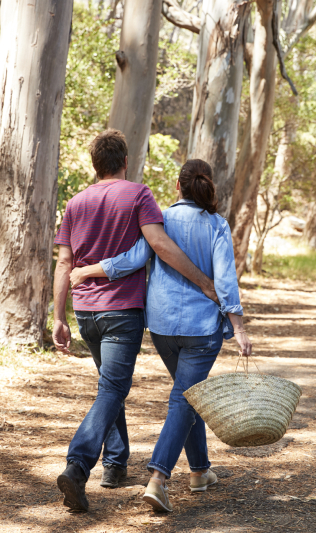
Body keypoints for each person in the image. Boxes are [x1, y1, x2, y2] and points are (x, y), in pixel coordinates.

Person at [70, 159, 252, 513]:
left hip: (163, 325)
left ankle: (199, 471)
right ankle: (158, 478)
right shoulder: (216, 224)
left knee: (189, 395)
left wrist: (92, 270)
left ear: (178, 186)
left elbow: (132, 259)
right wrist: (240, 327)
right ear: (207, 186)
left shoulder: (160, 218)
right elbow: (225, 280)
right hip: (202, 328)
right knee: (184, 399)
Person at [52, 131, 218, 513]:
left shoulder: (76, 202)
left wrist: (59, 317)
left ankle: (115, 463)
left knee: (110, 385)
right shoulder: (139, 194)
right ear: (125, 161)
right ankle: (78, 466)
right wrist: (204, 282)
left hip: (85, 311)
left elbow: (64, 262)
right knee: (112, 389)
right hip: (122, 310)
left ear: (95, 165)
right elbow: (158, 245)